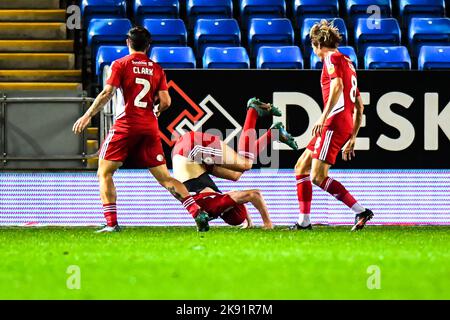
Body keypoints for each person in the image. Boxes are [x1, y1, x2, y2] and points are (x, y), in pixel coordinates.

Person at [72, 26, 210, 232]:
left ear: (128, 43)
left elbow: (106, 93)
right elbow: (166, 101)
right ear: (148, 46)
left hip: (126, 125)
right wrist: (156, 110)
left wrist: (87, 115)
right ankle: (197, 212)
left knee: (104, 172)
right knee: (165, 178)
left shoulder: (120, 64)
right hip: (149, 127)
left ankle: (112, 224)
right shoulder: (156, 69)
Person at [290, 20, 373, 231]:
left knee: (318, 177)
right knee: (301, 167)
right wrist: (353, 136)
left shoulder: (330, 58)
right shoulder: (348, 62)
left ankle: (360, 210)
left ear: (318, 45)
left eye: (312, 46)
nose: (313, 51)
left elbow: (337, 86)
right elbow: (360, 106)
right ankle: (304, 221)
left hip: (333, 123)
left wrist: (322, 116)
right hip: (342, 123)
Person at [171, 98, 298, 229]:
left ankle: (253, 111)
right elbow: (238, 196)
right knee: (235, 175)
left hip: (189, 150)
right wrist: (249, 221)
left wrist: (267, 223)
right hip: (190, 160)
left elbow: (254, 194)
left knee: (245, 164)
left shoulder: (217, 205)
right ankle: (273, 134)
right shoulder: (215, 204)